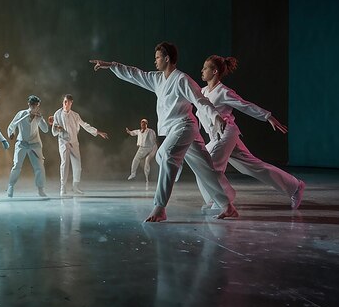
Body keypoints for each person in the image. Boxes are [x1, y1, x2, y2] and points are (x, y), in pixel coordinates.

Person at [90, 42, 238, 222]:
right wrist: (111, 66)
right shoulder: (157, 79)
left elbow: (200, 100)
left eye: (158, 57)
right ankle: (227, 206)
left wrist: (215, 116)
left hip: (184, 126)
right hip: (175, 130)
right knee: (205, 168)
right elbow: (135, 74)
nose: (155, 61)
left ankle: (159, 208)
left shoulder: (182, 79)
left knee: (166, 154)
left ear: (167, 58)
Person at [195, 55, 305, 210]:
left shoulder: (223, 92)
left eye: (205, 68)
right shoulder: (203, 91)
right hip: (217, 137)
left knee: (206, 164)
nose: (202, 70)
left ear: (215, 71)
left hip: (226, 133)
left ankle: (220, 199)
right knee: (254, 166)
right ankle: (295, 186)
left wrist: (268, 116)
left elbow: (244, 105)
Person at [51, 94, 109, 196]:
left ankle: (75, 187)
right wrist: (57, 128)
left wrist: (98, 132)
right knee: (64, 164)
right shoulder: (57, 114)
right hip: (63, 143)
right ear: (63, 102)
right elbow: (54, 132)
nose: (66, 104)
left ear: (71, 103)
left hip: (74, 142)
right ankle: (62, 187)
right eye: (65, 102)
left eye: (68, 102)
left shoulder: (75, 115)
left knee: (77, 165)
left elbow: (85, 125)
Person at [6, 95, 49, 198]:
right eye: (33, 105)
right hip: (22, 143)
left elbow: (45, 129)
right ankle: (10, 186)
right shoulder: (21, 114)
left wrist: (41, 119)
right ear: (29, 104)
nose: (35, 107)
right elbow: (12, 125)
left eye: (37, 106)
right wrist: (11, 133)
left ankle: (40, 189)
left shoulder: (38, 117)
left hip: (35, 145)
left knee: (39, 167)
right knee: (16, 165)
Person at [126, 118, 157, 185]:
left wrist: (153, 148)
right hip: (142, 149)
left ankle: (147, 178)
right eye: (142, 123)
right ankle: (133, 173)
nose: (143, 124)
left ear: (146, 124)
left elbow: (154, 140)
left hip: (151, 148)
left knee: (147, 160)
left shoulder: (150, 131)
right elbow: (132, 133)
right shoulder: (139, 131)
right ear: (140, 124)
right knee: (135, 159)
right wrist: (129, 131)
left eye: (144, 123)